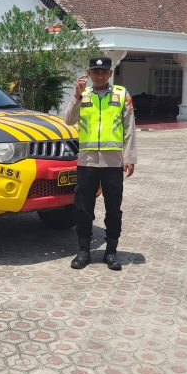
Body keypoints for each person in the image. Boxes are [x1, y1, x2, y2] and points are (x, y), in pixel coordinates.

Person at [64, 56, 136, 271]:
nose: (100, 75)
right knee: (83, 208)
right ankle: (83, 251)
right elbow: (68, 120)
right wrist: (76, 96)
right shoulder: (83, 95)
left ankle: (111, 252)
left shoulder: (121, 95)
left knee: (113, 209)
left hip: (113, 163)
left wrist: (130, 158)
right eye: (96, 72)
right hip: (87, 162)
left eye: (104, 72)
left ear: (110, 74)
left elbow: (129, 128)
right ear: (89, 73)